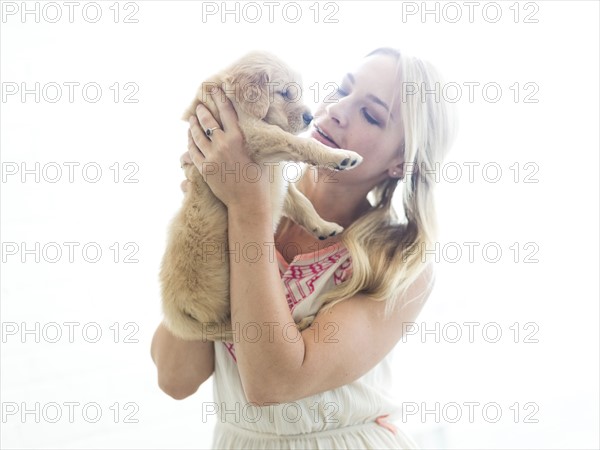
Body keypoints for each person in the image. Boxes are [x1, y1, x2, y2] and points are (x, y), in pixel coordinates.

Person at [151, 47, 456, 449]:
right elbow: (175, 378)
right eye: (342, 90)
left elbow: (273, 382)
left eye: (370, 114)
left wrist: (247, 212)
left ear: (401, 161)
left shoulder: (398, 263)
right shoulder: (245, 200)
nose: (338, 110)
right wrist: (213, 213)